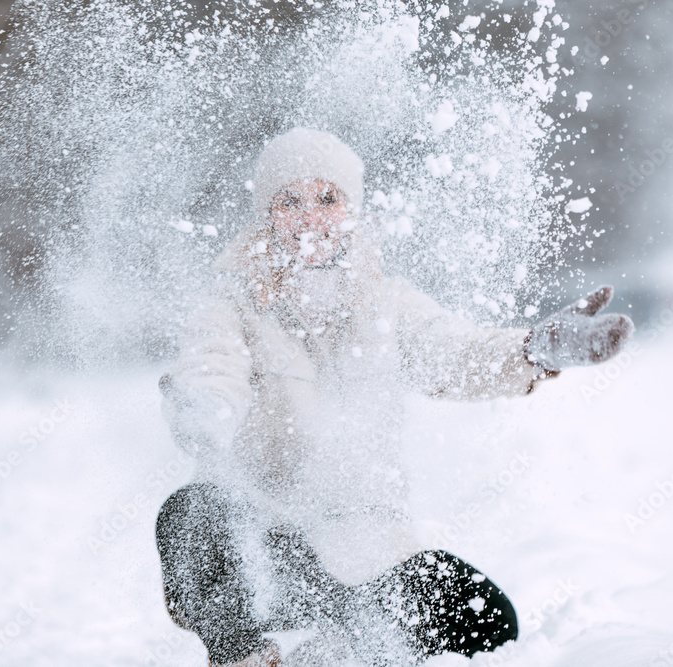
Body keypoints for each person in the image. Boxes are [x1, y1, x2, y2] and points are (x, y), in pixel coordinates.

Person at [155, 128, 633, 666]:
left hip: (369, 551)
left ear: (351, 210)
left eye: (327, 198)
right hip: (268, 551)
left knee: (487, 616)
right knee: (190, 514)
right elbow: (211, 364)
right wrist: (204, 409)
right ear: (267, 215)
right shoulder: (231, 301)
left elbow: (455, 353)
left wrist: (534, 351)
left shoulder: (387, 305)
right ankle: (246, 656)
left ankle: (335, 654)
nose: (311, 216)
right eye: (290, 201)